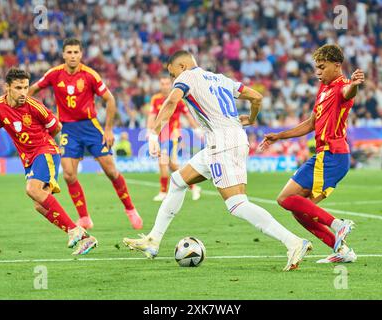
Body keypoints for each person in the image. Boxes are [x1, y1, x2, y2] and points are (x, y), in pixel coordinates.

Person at [123, 50, 312, 271]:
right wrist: (251, 119)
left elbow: (171, 101)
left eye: (172, 73)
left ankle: (293, 242)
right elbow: (257, 97)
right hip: (235, 138)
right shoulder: (221, 79)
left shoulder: (187, 77)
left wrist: (153, 134)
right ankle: (153, 240)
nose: (173, 79)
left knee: (237, 204)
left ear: (182, 67)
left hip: (220, 143)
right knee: (177, 181)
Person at [260, 44, 364, 264]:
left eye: (322, 67)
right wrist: (279, 136)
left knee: (285, 198)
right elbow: (311, 123)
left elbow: (349, 92)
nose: (317, 72)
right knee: (299, 210)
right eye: (316, 67)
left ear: (337, 66)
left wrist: (355, 85)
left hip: (333, 156)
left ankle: (338, 225)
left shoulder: (343, 86)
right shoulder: (323, 89)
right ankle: (343, 251)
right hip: (323, 156)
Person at [28, 38, 142, 230]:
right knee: (69, 175)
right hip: (67, 129)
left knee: (111, 171)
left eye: (76, 52)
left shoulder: (90, 75)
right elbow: (31, 91)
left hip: (90, 127)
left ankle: (130, 209)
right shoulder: (54, 74)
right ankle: (84, 218)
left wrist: (108, 129)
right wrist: (37, 114)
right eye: (69, 52)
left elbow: (110, 100)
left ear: (81, 54)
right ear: (63, 54)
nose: (72, 56)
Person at [0, 68, 97, 255]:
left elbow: (57, 128)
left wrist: (41, 142)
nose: (23, 92)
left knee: (32, 189)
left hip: (45, 151)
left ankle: (74, 230)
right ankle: (86, 238)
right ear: (7, 87)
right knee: (39, 205)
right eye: (18, 88)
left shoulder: (35, 106)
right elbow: (4, 125)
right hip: (28, 159)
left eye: (26, 87)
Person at [147, 74, 203, 202]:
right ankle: (193, 186)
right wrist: (149, 130)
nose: (165, 86)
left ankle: (163, 191)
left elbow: (188, 115)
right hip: (160, 136)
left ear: (171, 84)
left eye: (167, 84)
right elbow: (151, 115)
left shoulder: (176, 98)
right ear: (160, 85)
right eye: (162, 84)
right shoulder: (155, 99)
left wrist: (196, 129)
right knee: (172, 165)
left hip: (173, 135)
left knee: (163, 161)